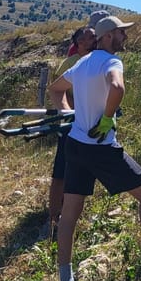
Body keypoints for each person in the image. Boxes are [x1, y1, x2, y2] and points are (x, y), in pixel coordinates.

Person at [48, 15, 141, 281]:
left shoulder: (81, 63)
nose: (125, 38)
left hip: (75, 145)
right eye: (121, 33)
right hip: (100, 147)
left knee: (70, 213)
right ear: (109, 35)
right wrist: (105, 119)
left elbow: (55, 89)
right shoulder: (111, 63)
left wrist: (69, 115)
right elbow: (117, 89)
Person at [44, 25, 97, 238]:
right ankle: (53, 219)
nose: (96, 40)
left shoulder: (99, 60)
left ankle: (72, 214)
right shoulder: (70, 64)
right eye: (91, 37)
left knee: (82, 170)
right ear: (80, 43)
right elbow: (59, 90)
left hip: (91, 125)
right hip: (72, 124)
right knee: (61, 171)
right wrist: (69, 112)